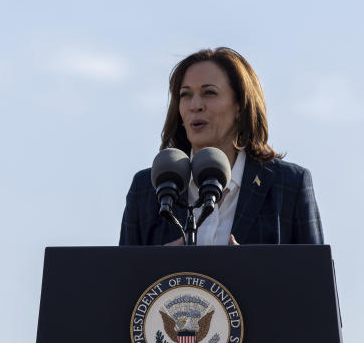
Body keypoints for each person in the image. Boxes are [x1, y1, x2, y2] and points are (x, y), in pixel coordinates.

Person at [119, 47, 324, 246]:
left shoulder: (289, 185)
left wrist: (251, 270)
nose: (195, 105)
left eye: (209, 93)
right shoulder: (147, 188)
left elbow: (314, 279)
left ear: (240, 106)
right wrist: (156, 267)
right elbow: (122, 279)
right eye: (185, 95)